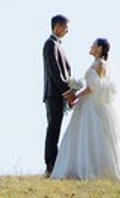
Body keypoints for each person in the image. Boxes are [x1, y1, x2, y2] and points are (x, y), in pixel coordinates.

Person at [51, 37, 120, 181]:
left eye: (94, 45)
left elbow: (93, 87)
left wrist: (75, 95)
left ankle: (93, 169)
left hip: (93, 104)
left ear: (100, 48)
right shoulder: (95, 63)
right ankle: (76, 168)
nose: (91, 46)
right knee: (79, 134)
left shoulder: (101, 63)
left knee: (90, 133)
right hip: (87, 102)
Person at [42, 14, 75, 176]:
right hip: (54, 95)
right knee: (53, 130)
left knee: (55, 129)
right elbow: (55, 71)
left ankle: (54, 166)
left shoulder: (56, 45)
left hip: (58, 95)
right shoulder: (50, 44)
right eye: (66, 27)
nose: (67, 31)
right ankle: (51, 166)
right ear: (57, 27)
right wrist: (67, 92)